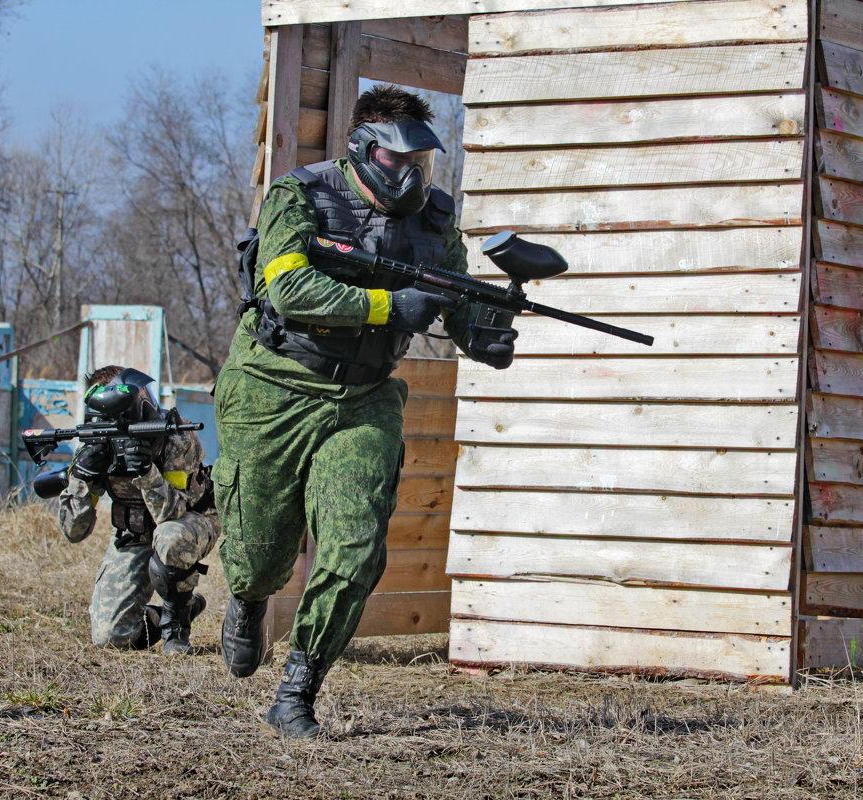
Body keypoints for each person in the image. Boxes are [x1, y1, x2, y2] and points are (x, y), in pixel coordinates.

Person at [213, 85, 518, 737]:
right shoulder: (301, 196)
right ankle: (246, 596)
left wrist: (484, 335)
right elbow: (289, 286)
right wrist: (386, 306)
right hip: (275, 383)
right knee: (259, 548)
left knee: (355, 544)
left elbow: (455, 297)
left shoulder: (434, 220)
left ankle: (297, 690)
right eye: (397, 161)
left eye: (421, 162)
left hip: (366, 395)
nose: (410, 175)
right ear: (362, 150)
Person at [58, 365, 218, 655]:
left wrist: (146, 471)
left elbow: (174, 514)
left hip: (191, 524)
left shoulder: (176, 436)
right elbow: (74, 532)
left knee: (170, 538)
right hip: (134, 534)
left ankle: (176, 627)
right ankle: (173, 612)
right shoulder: (97, 442)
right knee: (110, 636)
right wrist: (82, 477)